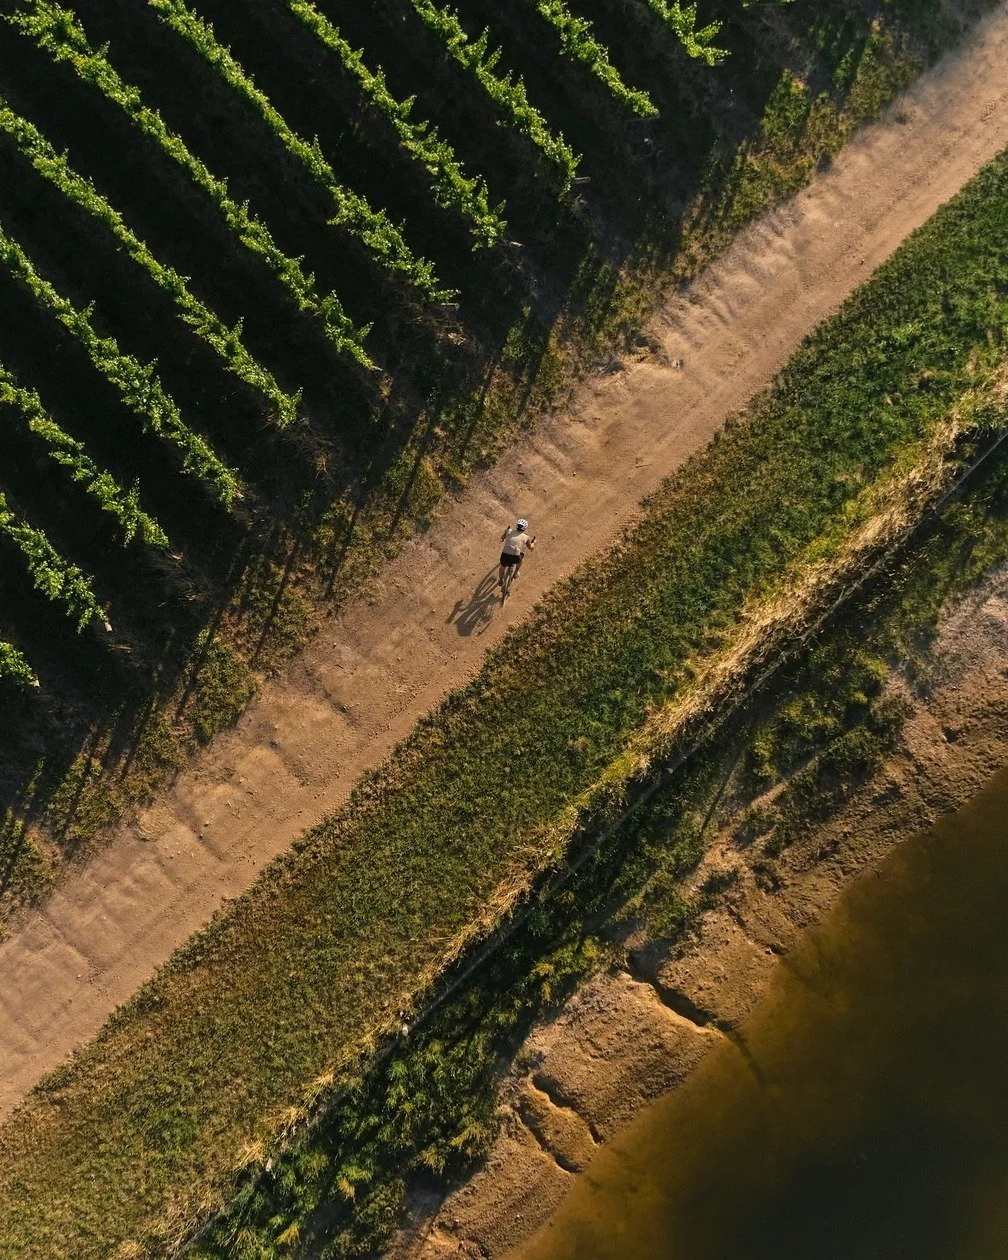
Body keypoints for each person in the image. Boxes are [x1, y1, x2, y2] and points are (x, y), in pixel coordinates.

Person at [499, 518, 535, 588]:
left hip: (504, 556)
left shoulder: (508, 531)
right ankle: (515, 574)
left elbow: (502, 538)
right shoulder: (526, 537)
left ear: (516, 525)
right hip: (515, 558)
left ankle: (500, 580)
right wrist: (534, 543)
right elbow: (530, 547)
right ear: (525, 528)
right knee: (521, 557)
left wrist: (504, 535)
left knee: (502, 567)